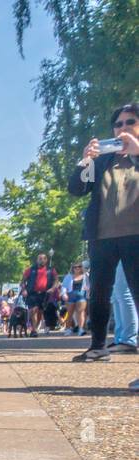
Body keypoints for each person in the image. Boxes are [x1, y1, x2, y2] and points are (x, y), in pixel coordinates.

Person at [67, 102, 139, 363]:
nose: (123, 128)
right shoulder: (104, 159)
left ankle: (129, 340)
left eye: (130, 122)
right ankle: (97, 346)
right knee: (99, 292)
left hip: (135, 235)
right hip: (102, 236)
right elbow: (77, 188)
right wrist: (85, 160)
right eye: (118, 124)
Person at [20, 252, 58, 336]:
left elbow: (56, 280)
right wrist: (24, 290)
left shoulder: (51, 270)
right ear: (37, 260)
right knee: (34, 310)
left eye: (44, 258)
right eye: (40, 259)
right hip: (32, 293)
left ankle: (35, 328)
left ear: (46, 260)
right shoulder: (30, 270)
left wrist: (53, 288)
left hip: (45, 294)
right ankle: (34, 330)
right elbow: (23, 281)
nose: (42, 260)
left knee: (40, 312)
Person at [109, 262, 138, 354]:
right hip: (114, 252)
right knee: (116, 295)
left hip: (126, 250)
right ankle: (120, 339)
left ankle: (129, 340)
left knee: (123, 292)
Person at [62, 263, 89, 335]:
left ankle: (81, 329)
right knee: (70, 313)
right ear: (72, 268)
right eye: (75, 267)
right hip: (70, 296)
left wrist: (88, 289)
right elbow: (64, 286)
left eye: (79, 267)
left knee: (81, 312)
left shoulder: (86, 276)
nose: (77, 268)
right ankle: (67, 329)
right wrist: (64, 294)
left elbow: (90, 285)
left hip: (81, 296)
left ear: (82, 268)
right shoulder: (68, 276)